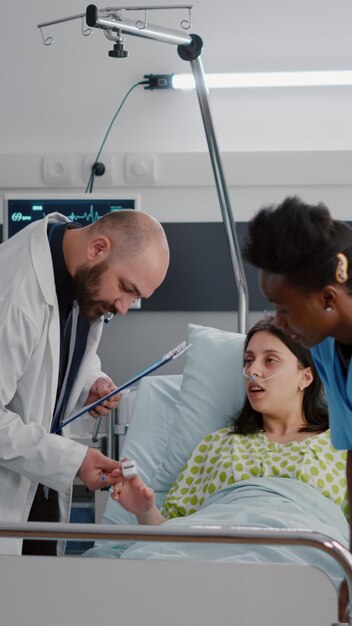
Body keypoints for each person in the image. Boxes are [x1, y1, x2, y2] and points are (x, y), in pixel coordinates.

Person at [0, 208, 169, 556]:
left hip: (37, 476)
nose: (123, 308)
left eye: (136, 298)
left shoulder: (78, 272)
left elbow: (60, 348)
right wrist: (75, 460)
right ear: (97, 248)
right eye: (126, 289)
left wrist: (90, 380)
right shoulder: (15, 296)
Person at [111, 317, 347, 528]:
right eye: (248, 360)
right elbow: (173, 535)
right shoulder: (218, 445)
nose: (252, 370)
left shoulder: (340, 448)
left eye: (270, 360)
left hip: (305, 563)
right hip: (214, 559)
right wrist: (145, 511)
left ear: (305, 376)